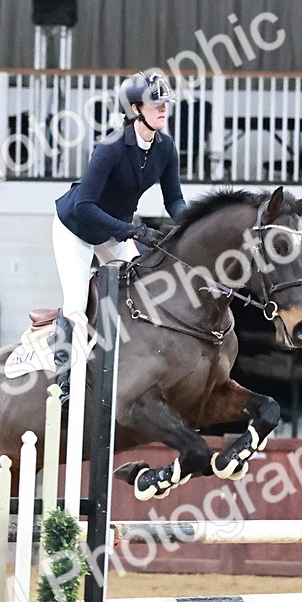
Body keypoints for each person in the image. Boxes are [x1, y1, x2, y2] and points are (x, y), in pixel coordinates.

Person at [50, 70, 187, 399]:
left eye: (165, 103)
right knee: (76, 303)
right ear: (136, 108)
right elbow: (84, 206)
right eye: (156, 104)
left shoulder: (165, 149)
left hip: (115, 230)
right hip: (77, 229)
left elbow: (174, 201)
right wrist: (131, 230)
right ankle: (65, 380)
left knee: (146, 290)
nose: (163, 109)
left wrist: (192, 224)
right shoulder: (110, 148)